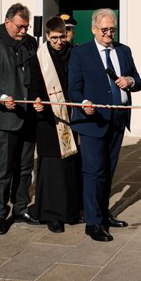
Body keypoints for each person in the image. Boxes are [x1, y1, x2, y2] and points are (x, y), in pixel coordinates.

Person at [68, 9, 141, 242]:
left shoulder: (123, 50)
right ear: (93, 29)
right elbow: (73, 89)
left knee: (108, 170)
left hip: (118, 119)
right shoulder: (80, 53)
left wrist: (130, 81)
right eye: (104, 30)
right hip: (92, 121)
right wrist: (83, 103)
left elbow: (138, 81)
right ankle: (93, 223)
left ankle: (103, 213)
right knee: (94, 172)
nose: (109, 33)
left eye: (112, 29)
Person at [0, 3, 41, 234]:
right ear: (7, 21)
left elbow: (36, 75)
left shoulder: (30, 43)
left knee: (25, 167)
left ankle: (20, 208)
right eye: (19, 27)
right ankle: (0, 214)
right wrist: (1, 97)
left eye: (26, 27)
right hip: (4, 116)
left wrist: (37, 97)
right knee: (3, 169)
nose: (23, 31)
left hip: (28, 115)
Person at [31, 16, 83, 234]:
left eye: (62, 37)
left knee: (70, 165)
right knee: (52, 167)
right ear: (47, 36)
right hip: (48, 120)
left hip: (71, 116)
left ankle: (71, 211)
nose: (59, 42)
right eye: (54, 38)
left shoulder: (75, 53)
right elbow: (34, 84)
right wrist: (36, 100)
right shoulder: (39, 57)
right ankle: (52, 214)